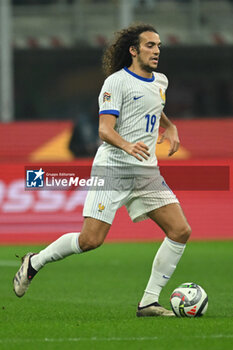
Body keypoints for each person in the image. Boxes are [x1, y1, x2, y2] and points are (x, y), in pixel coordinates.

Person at [13, 23, 191, 317]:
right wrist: (128, 146)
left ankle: (148, 302)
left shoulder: (161, 81)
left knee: (180, 230)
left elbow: (155, 107)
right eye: (150, 45)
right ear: (133, 51)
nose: (157, 50)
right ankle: (35, 262)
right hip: (113, 169)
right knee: (90, 240)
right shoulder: (116, 83)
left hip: (146, 173)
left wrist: (170, 126)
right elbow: (105, 130)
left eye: (159, 45)